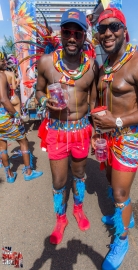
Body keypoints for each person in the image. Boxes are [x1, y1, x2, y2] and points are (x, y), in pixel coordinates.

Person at [91, 8, 138, 269]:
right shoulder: (105, 66)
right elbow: (102, 103)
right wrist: (98, 130)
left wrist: (118, 121)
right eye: (102, 29)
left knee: (120, 191)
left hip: (131, 136)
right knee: (109, 179)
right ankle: (124, 215)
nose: (108, 32)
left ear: (124, 30)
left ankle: (121, 239)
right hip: (108, 136)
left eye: (114, 27)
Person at [36, 8, 98, 245]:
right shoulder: (46, 63)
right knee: (59, 181)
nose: (72, 37)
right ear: (61, 33)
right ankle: (60, 218)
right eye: (67, 31)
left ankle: (78, 209)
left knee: (79, 174)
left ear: (84, 36)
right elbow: (38, 90)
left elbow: (93, 99)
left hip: (82, 132)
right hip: (57, 131)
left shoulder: (92, 67)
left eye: (78, 33)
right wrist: (43, 101)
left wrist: (97, 128)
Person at [0, 51, 43, 182]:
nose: (4, 62)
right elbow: (4, 99)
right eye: (2, 60)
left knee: (2, 145)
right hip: (5, 115)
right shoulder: (1, 75)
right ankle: (28, 172)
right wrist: (16, 115)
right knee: (23, 142)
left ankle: (10, 175)